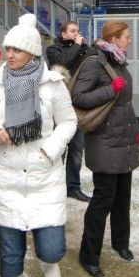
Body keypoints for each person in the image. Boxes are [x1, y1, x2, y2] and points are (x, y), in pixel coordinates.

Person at [0, 13, 77, 277]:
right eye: (8, 49)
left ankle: (48, 260)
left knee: (52, 247)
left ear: (32, 51)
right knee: (10, 253)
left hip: (45, 177)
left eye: (16, 50)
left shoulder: (53, 84)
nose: (10, 55)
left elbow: (69, 122)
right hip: (6, 179)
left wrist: (50, 149)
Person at [72, 20, 139, 277]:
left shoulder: (119, 62)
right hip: (103, 140)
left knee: (123, 198)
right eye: (126, 36)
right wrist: (109, 89)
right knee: (103, 201)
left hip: (124, 139)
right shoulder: (95, 62)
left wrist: (135, 128)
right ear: (114, 38)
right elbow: (78, 98)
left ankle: (120, 243)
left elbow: (125, 103)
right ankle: (88, 256)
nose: (129, 40)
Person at [46, 20, 91, 203]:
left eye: (78, 31)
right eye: (72, 31)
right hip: (59, 107)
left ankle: (73, 186)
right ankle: (54, 185)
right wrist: (78, 45)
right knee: (58, 148)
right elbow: (64, 63)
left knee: (77, 149)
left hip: (77, 106)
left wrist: (84, 46)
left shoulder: (81, 49)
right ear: (63, 34)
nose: (76, 34)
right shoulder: (53, 50)